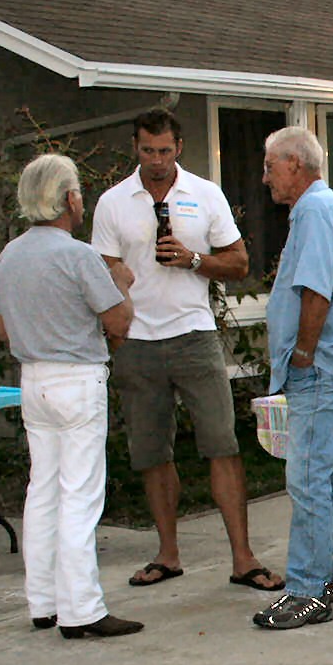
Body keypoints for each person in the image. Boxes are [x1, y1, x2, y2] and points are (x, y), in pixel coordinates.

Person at [91, 109, 279, 593]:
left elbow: (239, 263)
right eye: (148, 151)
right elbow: (103, 267)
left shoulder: (204, 193)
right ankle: (167, 554)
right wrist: (119, 289)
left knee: (222, 444)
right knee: (152, 452)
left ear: (180, 148)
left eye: (165, 151)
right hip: (137, 341)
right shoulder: (113, 202)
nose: (156, 161)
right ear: (135, 146)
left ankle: (243, 559)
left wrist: (194, 260)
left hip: (194, 334)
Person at [0, 153, 143, 640]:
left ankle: (45, 600)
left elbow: (1, 327)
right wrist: (120, 284)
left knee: (43, 490)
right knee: (80, 495)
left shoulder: (9, 255)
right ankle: (82, 609)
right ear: (68, 199)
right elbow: (118, 321)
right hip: (76, 378)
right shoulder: (78, 255)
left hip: (32, 377)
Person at [251, 127, 333, 630]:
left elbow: (314, 292)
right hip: (329, 367)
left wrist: (303, 351)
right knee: (331, 475)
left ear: (295, 165)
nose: (265, 178)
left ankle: (306, 589)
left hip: (319, 369)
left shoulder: (316, 212)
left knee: (306, 478)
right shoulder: (326, 208)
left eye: (270, 166)